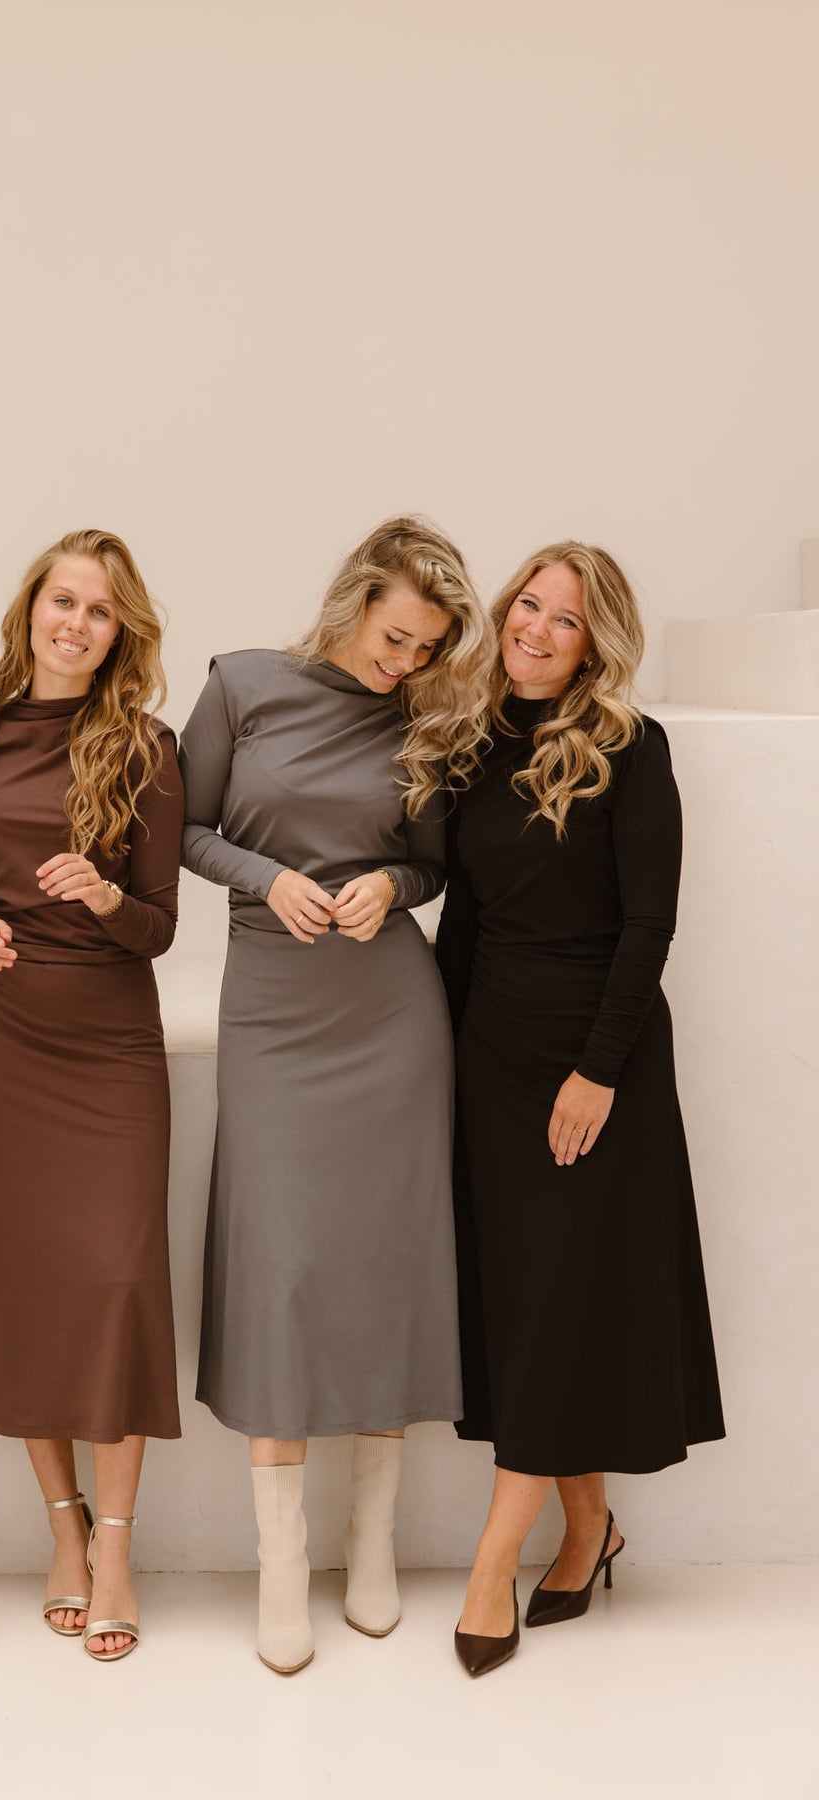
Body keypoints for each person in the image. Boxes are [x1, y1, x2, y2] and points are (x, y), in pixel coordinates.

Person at [179, 515, 489, 1674]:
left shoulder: (424, 720)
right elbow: (184, 829)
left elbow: (435, 864)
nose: (405, 663)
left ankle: (371, 1542)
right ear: (354, 599)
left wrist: (387, 888)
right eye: (395, 637)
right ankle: (280, 1561)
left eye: (427, 649)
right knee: (283, 1269)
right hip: (272, 1008)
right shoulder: (242, 686)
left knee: (384, 1266)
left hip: (388, 1017)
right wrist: (269, 878)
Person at [436, 542, 725, 1678]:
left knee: (557, 1302)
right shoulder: (474, 742)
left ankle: (489, 1566)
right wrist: (439, 1057)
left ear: (595, 644)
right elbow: (465, 924)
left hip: (594, 1066)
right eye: (529, 605)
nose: (537, 629)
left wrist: (598, 1071)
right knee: (530, 1307)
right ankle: (588, 1525)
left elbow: (650, 924)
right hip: (492, 1059)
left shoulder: (630, 748)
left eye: (566, 619)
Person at [0, 528, 182, 1664]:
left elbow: (160, 926)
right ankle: (65, 1532)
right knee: (27, 1289)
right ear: (30, 609)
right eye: (62, 601)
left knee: (118, 1286)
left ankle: (118, 1545)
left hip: (109, 1047)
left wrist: (102, 897)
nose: (76, 622)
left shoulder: (147, 748)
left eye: (99, 609)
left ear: (120, 632)